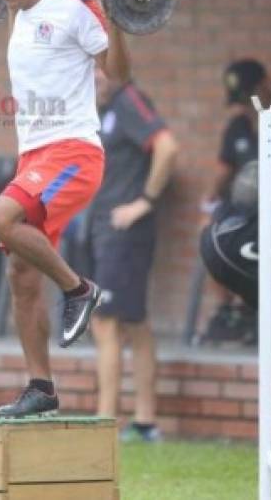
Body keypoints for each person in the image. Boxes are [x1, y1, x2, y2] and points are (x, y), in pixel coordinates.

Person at [0, 0, 130, 418]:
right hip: (35, 156)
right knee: (21, 272)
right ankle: (41, 387)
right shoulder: (19, 15)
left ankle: (79, 290)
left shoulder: (74, 10)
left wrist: (118, 17)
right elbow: (4, 1)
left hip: (73, 155)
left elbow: (120, 75)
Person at [89, 69, 179, 442]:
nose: (91, 77)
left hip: (123, 230)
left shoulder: (128, 99)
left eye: (97, 69)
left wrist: (145, 201)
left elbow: (167, 147)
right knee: (133, 322)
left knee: (105, 321)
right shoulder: (100, 109)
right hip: (100, 227)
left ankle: (102, 423)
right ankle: (145, 421)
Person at [200, 59, 271, 344]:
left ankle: (257, 310)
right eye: (240, 100)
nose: (245, 105)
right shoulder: (238, 125)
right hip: (243, 208)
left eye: (249, 96)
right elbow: (224, 171)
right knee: (211, 236)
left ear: (265, 85)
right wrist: (209, 200)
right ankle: (230, 311)